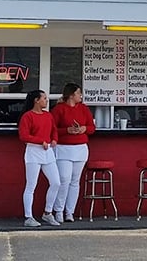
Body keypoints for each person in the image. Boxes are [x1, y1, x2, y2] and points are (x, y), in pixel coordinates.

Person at [51, 82, 95, 223]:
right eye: (78, 93)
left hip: (80, 147)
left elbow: (92, 127)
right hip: (63, 148)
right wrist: (66, 131)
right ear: (71, 95)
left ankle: (70, 211)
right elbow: (52, 129)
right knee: (64, 179)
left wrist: (84, 129)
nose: (81, 95)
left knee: (75, 181)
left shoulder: (83, 108)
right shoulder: (59, 109)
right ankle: (58, 210)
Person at [18, 89, 61, 227]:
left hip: (48, 151)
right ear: (36, 100)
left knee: (56, 182)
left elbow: (54, 130)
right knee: (31, 185)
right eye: (44, 98)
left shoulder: (48, 116)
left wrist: (54, 139)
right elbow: (24, 136)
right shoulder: (27, 116)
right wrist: (39, 141)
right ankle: (28, 217)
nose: (46, 100)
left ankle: (48, 212)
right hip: (33, 151)